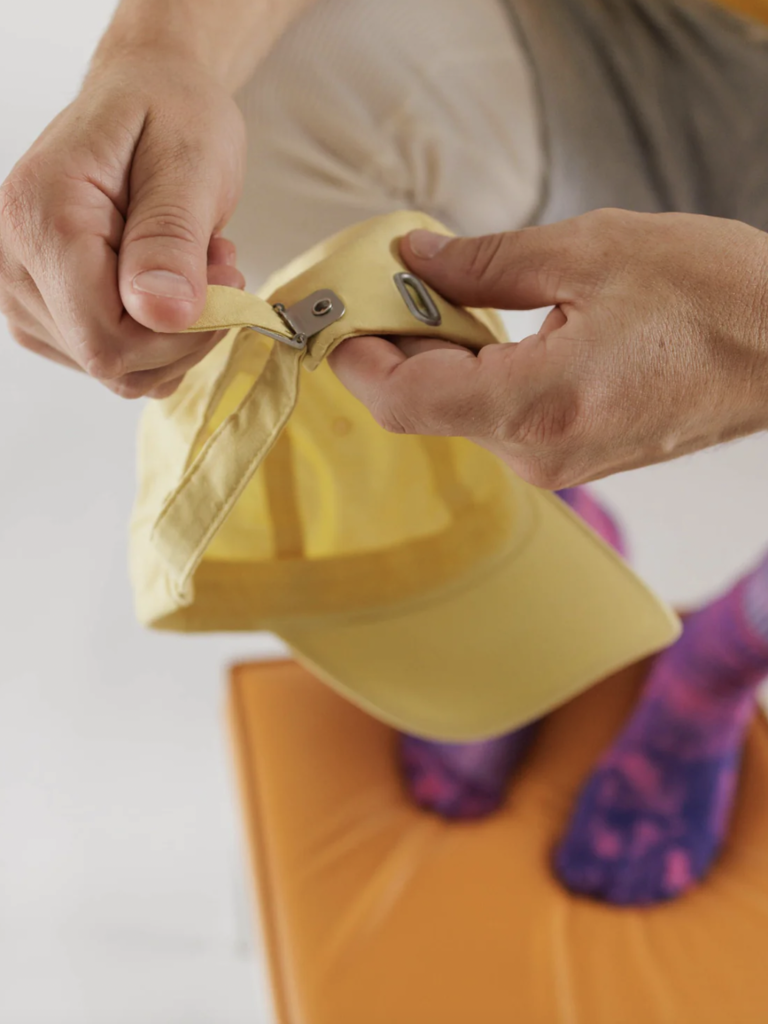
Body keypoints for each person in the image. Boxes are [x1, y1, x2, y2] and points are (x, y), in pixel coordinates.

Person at [2, 0, 768, 906]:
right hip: (704, 47)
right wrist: (161, 52)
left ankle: (721, 661)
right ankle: (498, 531)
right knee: (234, 129)